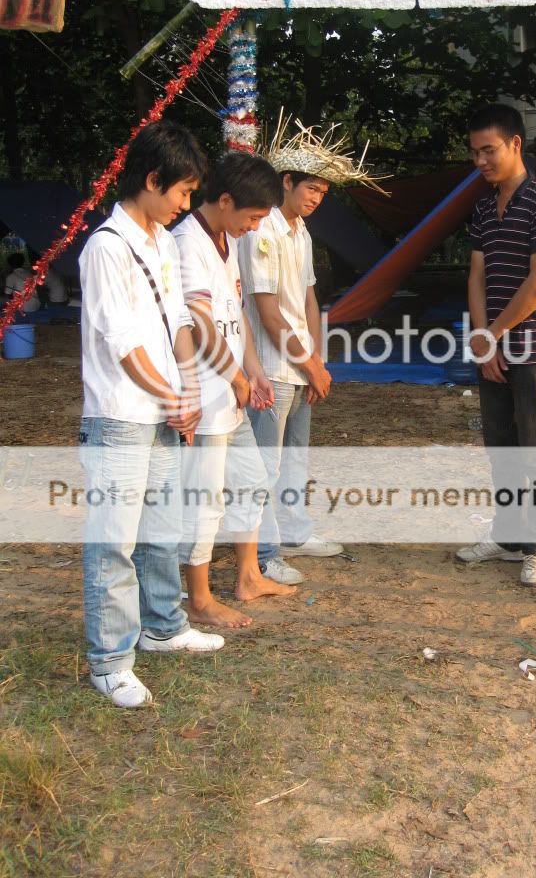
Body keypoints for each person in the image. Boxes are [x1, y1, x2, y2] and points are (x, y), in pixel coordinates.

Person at [79, 120, 224, 709]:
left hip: (164, 409)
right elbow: (123, 343)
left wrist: (188, 388)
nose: (185, 205)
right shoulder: (106, 247)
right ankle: (110, 661)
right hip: (120, 416)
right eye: (183, 192)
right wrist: (173, 396)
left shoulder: (162, 241)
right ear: (152, 179)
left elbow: (178, 323)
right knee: (114, 541)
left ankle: (163, 626)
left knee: (161, 531)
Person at [239, 117, 386, 585]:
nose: (317, 198)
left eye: (323, 192)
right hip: (271, 368)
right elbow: (267, 313)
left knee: (294, 458)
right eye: (312, 189)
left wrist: (317, 362)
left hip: (299, 366)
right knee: (265, 464)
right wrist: (309, 364)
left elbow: (308, 299)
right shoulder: (260, 230)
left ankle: (294, 531)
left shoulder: (300, 230)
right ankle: (263, 555)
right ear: (286, 181)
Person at [174, 151, 298, 629]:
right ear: (225, 200)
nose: (255, 227)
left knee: (252, 479)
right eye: (253, 217)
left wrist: (254, 370)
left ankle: (248, 576)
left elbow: (236, 313)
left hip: (231, 391)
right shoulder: (187, 242)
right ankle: (199, 597)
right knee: (205, 496)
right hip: (203, 393)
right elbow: (200, 322)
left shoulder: (227, 239)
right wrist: (236, 375)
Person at [456, 104, 536, 588]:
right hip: (493, 348)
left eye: (489, 150)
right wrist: (484, 341)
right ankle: (508, 536)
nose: (480, 160)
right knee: (500, 447)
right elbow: (476, 276)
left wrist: (493, 335)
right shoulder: (484, 206)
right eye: (475, 152)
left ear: (515, 144)